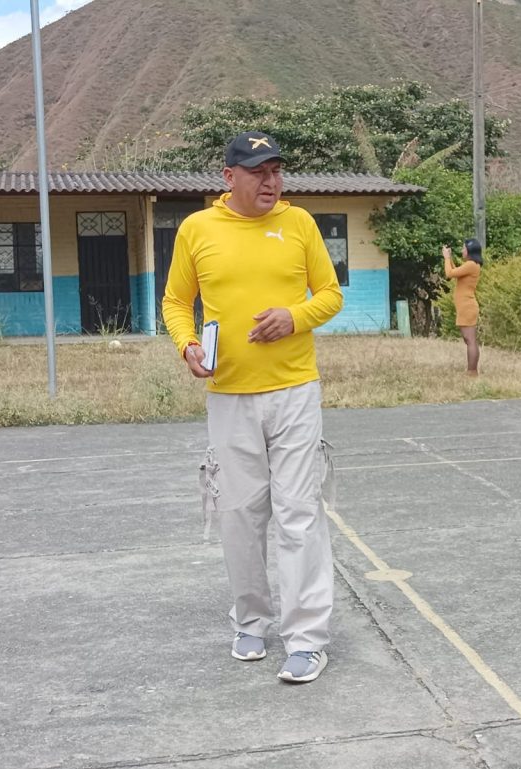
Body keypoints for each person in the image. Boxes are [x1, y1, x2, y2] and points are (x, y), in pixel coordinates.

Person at [162, 131, 343, 684]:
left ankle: (307, 638)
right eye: (259, 171)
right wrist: (187, 346)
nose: (271, 181)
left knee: (299, 513)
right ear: (229, 177)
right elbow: (175, 301)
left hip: (293, 391)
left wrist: (296, 317)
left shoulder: (300, 224)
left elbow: (330, 294)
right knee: (240, 515)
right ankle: (250, 620)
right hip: (230, 396)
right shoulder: (198, 230)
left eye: (277, 171)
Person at [442, 238, 483, 375]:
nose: (462, 251)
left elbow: (449, 274)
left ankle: (472, 371)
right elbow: (455, 272)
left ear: (470, 251)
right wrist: (450, 258)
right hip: (465, 306)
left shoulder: (471, 264)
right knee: (468, 339)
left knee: (470, 340)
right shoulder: (470, 265)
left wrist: (447, 258)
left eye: (464, 248)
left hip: (468, 306)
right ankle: (472, 371)